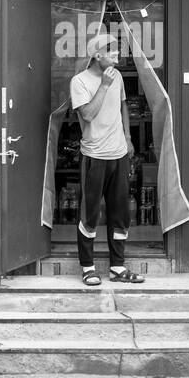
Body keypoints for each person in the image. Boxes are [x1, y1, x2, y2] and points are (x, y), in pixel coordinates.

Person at [69, 32, 144, 286]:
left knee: (120, 214)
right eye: (111, 52)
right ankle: (88, 267)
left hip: (119, 154)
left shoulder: (118, 75)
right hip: (94, 156)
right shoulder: (79, 81)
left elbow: (122, 105)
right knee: (90, 214)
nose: (117, 55)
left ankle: (117, 267)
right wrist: (103, 85)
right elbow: (87, 114)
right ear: (97, 55)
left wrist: (128, 137)